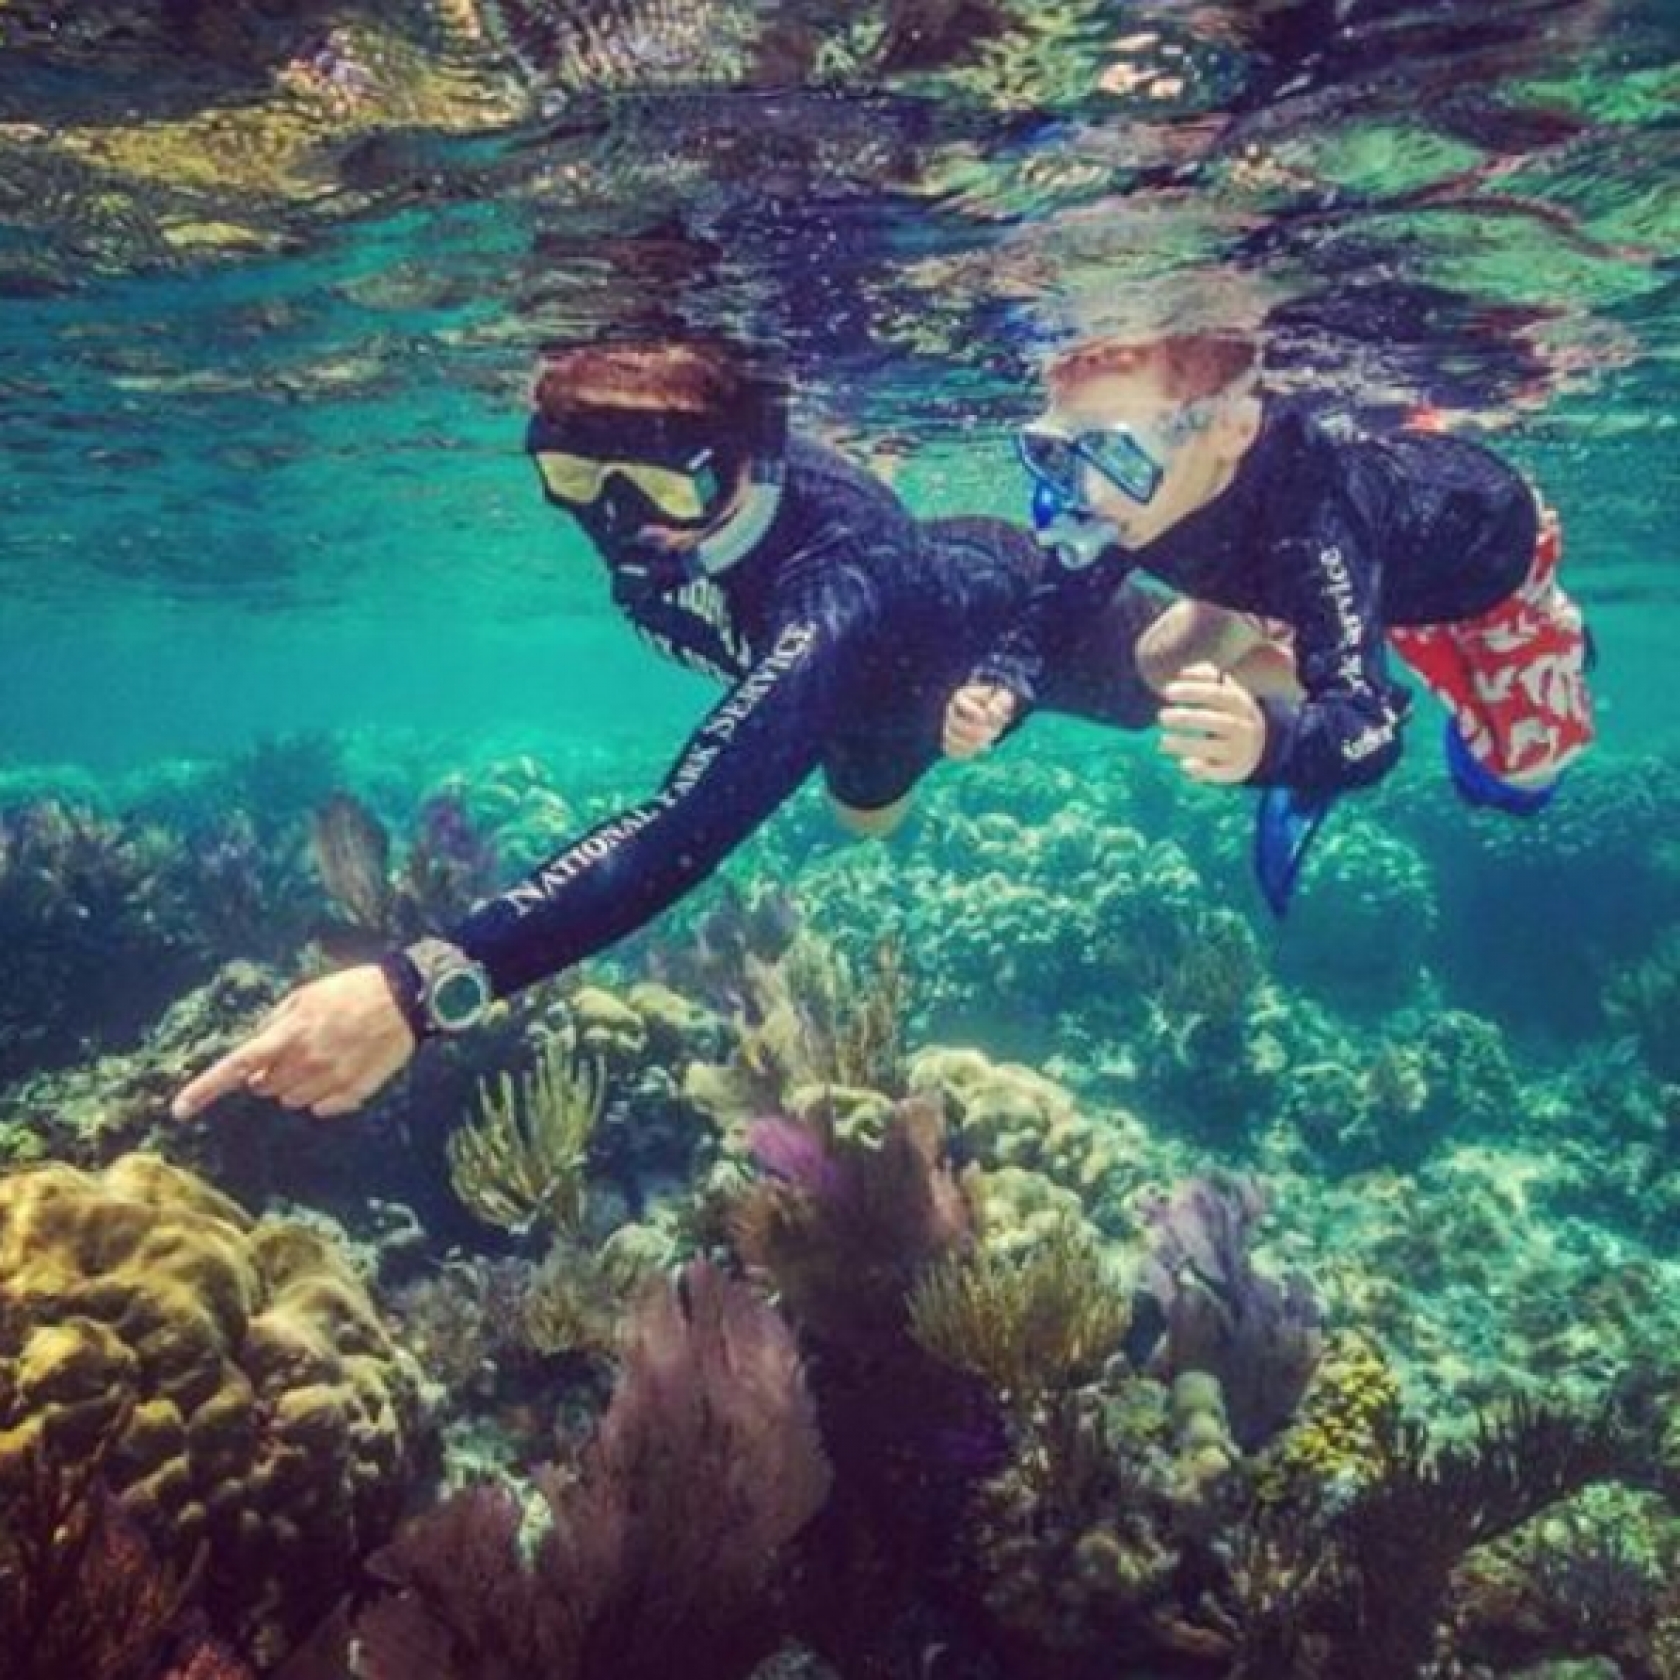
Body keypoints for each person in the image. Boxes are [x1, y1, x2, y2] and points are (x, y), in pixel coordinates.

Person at [172, 336, 1169, 1122]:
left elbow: (684, 823)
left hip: (993, 615)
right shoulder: (682, 509)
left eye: (662, 489)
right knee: (866, 813)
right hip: (857, 715)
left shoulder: (838, 589)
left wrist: (417, 989)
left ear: (749, 468)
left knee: (1199, 682)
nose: (619, 524)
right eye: (572, 479)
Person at [942, 331, 1597, 907]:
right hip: (1297, 586)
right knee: (1162, 661)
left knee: (1516, 776)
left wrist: (1273, 746)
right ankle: (1332, 698)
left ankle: (1547, 646)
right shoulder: (1135, 492)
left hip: (1477, 570)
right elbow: (1062, 602)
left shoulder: (1314, 521)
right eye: (1057, 452)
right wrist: (1005, 681)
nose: (1082, 493)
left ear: (1229, 427)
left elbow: (1372, 737)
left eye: (1116, 454)